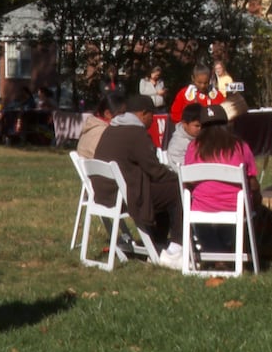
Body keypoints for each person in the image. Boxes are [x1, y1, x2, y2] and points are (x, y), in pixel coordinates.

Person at [93, 94, 185, 269]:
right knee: (175, 189)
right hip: (124, 196)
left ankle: (157, 240)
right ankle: (176, 247)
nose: (152, 120)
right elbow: (155, 170)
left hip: (105, 194)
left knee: (162, 189)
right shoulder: (136, 132)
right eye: (152, 115)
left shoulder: (112, 128)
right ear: (144, 114)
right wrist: (180, 178)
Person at [183, 103, 262, 256]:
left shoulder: (193, 147)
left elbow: (189, 182)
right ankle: (237, 249)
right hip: (235, 206)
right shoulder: (240, 146)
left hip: (202, 207)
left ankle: (215, 252)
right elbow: (252, 182)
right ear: (227, 124)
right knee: (255, 202)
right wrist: (258, 198)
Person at [76, 93, 124, 159]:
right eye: (122, 114)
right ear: (107, 114)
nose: (126, 117)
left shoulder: (91, 127)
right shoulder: (106, 133)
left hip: (91, 167)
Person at [165, 103, 204, 168]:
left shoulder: (206, 138)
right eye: (197, 126)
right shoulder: (177, 144)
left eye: (203, 125)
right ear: (184, 124)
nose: (200, 129)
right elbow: (180, 169)